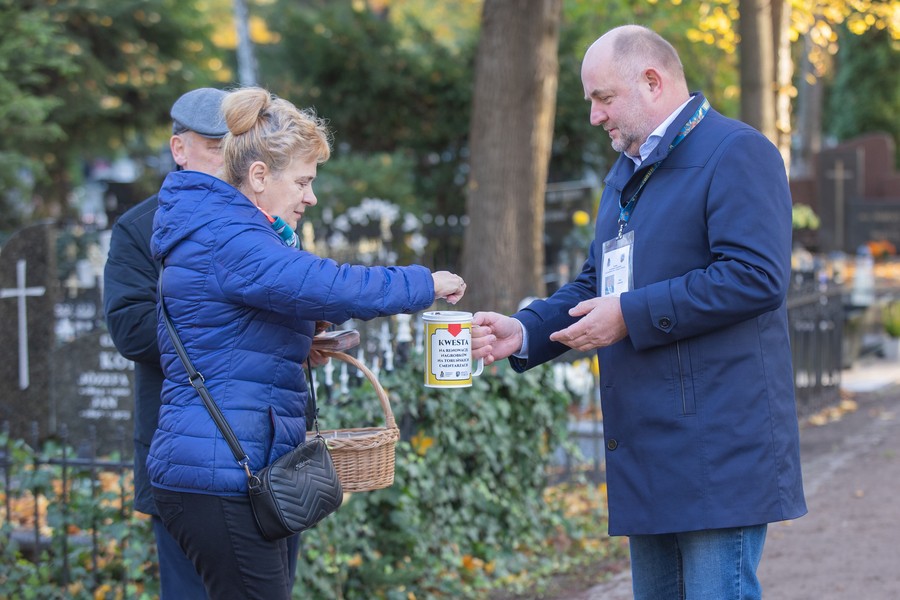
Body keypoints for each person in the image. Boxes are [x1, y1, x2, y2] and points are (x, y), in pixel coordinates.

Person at [472, 25, 806, 599]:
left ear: (652, 81)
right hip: (648, 451)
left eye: (603, 98)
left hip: (715, 451)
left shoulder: (739, 151)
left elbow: (756, 277)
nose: (596, 116)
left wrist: (629, 314)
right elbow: (596, 281)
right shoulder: (628, 170)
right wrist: (525, 330)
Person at [148, 86, 466, 599]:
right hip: (219, 474)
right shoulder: (229, 237)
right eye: (302, 181)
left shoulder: (226, 229)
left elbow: (238, 329)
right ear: (258, 177)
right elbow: (327, 284)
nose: (310, 196)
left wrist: (304, 340)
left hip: (238, 467)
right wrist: (424, 284)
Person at [104, 87, 230, 599]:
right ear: (180, 150)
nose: (233, 158)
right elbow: (131, 329)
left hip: (267, 456)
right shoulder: (139, 229)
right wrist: (230, 326)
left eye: (240, 144)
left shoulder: (267, 218)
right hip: (180, 454)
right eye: (218, 146)